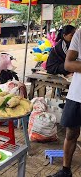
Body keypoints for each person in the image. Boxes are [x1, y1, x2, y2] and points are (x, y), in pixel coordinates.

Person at [49, 29, 81, 177]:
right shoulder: (80, 34)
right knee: (71, 133)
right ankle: (66, 171)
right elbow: (68, 64)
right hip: (77, 94)